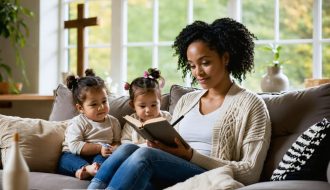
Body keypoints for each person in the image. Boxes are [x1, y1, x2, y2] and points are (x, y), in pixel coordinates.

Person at [87, 17, 271, 189]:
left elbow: (250, 173)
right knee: (128, 147)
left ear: (225, 58)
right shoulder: (188, 101)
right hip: (170, 168)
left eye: (205, 62)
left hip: (209, 174)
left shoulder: (251, 105)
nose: (198, 72)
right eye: (192, 65)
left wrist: (190, 155)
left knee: (146, 156)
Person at [57, 69, 121, 180]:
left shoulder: (113, 122)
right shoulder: (78, 122)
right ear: (80, 108)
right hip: (75, 154)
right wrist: (100, 147)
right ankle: (86, 169)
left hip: (99, 156)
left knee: (105, 159)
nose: (101, 107)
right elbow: (74, 146)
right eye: (94, 104)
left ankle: (90, 170)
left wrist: (112, 149)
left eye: (104, 101)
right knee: (65, 160)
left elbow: (116, 141)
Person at [121, 68, 172, 145]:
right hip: (135, 153)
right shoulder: (132, 120)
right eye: (142, 106)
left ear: (160, 102)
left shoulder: (167, 117)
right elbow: (125, 140)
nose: (148, 110)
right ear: (133, 105)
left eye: (153, 105)